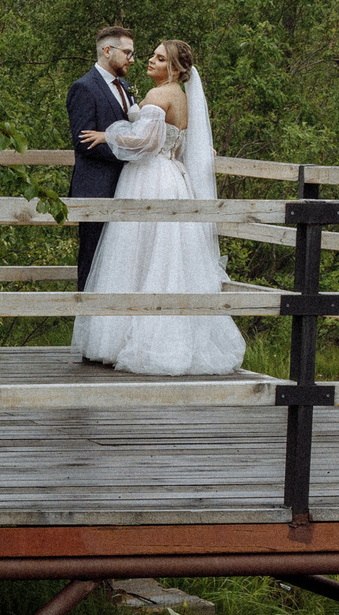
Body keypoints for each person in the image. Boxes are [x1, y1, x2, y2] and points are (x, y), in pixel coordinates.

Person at [74, 38, 246, 377]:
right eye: (151, 56)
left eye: (159, 58)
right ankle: (170, 335)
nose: (150, 61)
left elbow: (146, 142)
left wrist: (108, 136)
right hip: (174, 176)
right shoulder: (181, 98)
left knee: (137, 252)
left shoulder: (158, 95)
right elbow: (178, 142)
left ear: (175, 69)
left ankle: (133, 338)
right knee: (168, 254)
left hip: (150, 176)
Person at [65, 25, 136, 288]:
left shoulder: (126, 86)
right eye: (127, 52)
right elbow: (85, 143)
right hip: (96, 188)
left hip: (127, 187)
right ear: (107, 51)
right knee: (92, 261)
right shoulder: (83, 88)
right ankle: (86, 323)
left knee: (120, 263)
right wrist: (131, 155)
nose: (131, 58)